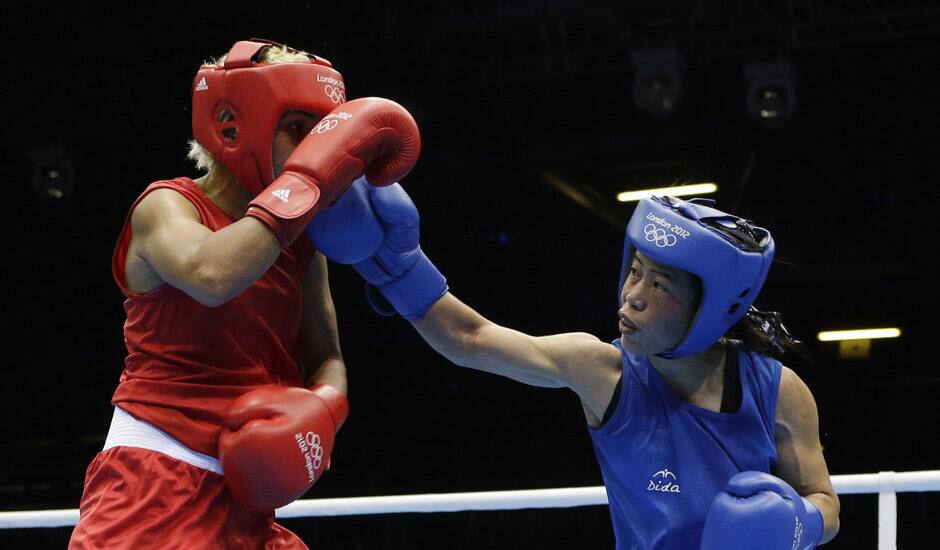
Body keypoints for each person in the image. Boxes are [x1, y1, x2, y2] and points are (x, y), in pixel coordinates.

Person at [308, 182, 841, 549]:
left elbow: (824, 500)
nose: (632, 297)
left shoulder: (777, 389)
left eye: (659, 285)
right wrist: (395, 264)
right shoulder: (602, 371)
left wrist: (797, 527)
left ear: (714, 307)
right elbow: (470, 337)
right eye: (634, 272)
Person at [68, 39, 420, 549]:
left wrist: (323, 408)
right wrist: (309, 180)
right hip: (156, 486)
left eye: (320, 134)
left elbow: (326, 357)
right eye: (295, 129)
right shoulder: (167, 207)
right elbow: (212, 276)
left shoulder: (302, 240)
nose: (310, 148)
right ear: (233, 126)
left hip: (250, 497)